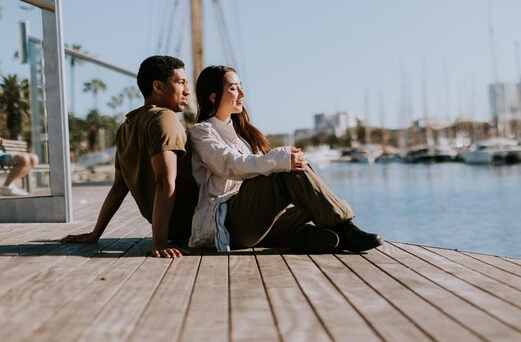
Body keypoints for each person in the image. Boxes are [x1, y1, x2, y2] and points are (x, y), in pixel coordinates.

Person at [188, 65, 382, 253]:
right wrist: (281, 160)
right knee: (287, 171)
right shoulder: (202, 133)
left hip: (254, 223)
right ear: (213, 96)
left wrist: (285, 160)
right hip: (228, 224)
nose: (242, 94)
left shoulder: (243, 135)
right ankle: (344, 228)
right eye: (233, 88)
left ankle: (300, 236)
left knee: (313, 200)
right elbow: (229, 164)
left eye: (241, 87)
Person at [61, 55, 199, 258]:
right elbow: (164, 181)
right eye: (180, 83)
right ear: (158, 87)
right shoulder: (164, 118)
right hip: (198, 223)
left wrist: (94, 234)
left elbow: (118, 187)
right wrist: (159, 242)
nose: (187, 90)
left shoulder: (126, 127)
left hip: (176, 231)